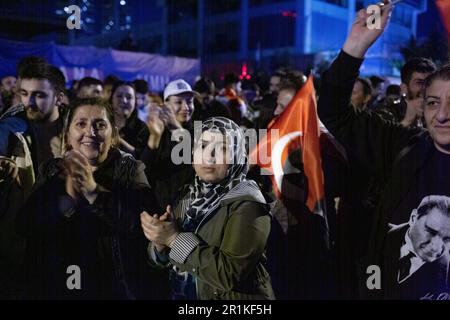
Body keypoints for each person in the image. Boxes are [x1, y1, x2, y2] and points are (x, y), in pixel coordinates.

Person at [317, 0, 450, 299]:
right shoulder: (401, 147)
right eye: (432, 102)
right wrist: (355, 46)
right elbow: (334, 112)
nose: (441, 115)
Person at [17, 97, 168, 299]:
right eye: (81, 124)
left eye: (100, 125)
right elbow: (25, 225)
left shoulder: (130, 169)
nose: (91, 132)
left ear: (113, 134)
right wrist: (64, 192)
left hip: (113, 286)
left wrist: (93, 192)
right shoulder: (52, 169)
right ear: (67, 135)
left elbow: (138, 225)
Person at [141, 117, 275, 300]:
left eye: (222, 148)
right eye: (202, 146)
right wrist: (159, 244)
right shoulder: (190, 192)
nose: (209, 156)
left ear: (237, 155)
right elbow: (166, 262)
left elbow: (228, 275)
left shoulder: (249, 204)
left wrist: (173, 238)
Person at [0, 57, 66, 298]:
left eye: (39, 95)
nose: (29, 102)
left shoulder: (79, 128)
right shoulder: (12, 126)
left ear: (59, 97)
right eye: (24, 93)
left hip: (68, 242)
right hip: (20, 244)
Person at [140, 79, 196, 210]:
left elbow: (200, 157)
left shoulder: (200, 131)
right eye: (178, 102)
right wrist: (154, 138)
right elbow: (143, 172)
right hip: (158, 209)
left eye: (189, 101)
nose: (186, 107)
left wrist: (176, 128)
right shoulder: (152, 129)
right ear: (165, 105)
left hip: (190, 209)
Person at [384, 196, 450, 299]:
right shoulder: (374, 235)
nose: (436, 247)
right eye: (431, 231)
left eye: (447, 239)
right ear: (413, 218)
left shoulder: (445, 276)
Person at [110, 81, 149, 157]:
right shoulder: (103, 122)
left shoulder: (142, 128)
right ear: (111, 99)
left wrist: (116, 138)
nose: (124, 100)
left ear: (135, 102)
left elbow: (141, 157)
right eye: (119, 96)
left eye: (129, 97)